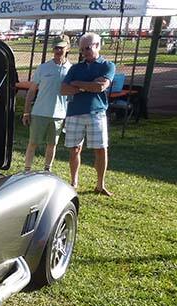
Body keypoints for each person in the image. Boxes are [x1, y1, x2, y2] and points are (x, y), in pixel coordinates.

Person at [60, 32, 116, 196]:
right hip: (74, 113)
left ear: (97, 46)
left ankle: (100, 184)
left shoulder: (107, 65)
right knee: (75, 149)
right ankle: (74, 181)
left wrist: (78, 85)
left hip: (96, 112)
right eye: (82, 49)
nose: (84, 52)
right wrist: (89, 85)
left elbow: (101, 87)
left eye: (87, 48)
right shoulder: (76, 68)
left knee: (101, 149)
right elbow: (63, 89)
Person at [22, 36, 71, 172]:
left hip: (59, 115)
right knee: (33, 143)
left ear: (68, 48)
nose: (58, 50)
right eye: (56, 47)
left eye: (61, 47)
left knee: (52, 144)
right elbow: (32, 91)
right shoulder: (43, 68)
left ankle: (47, 170)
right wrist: (27, 112)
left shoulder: (71, 70)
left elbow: (72, 94)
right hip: (39, 113)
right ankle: (27, 170)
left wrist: (69, 116)